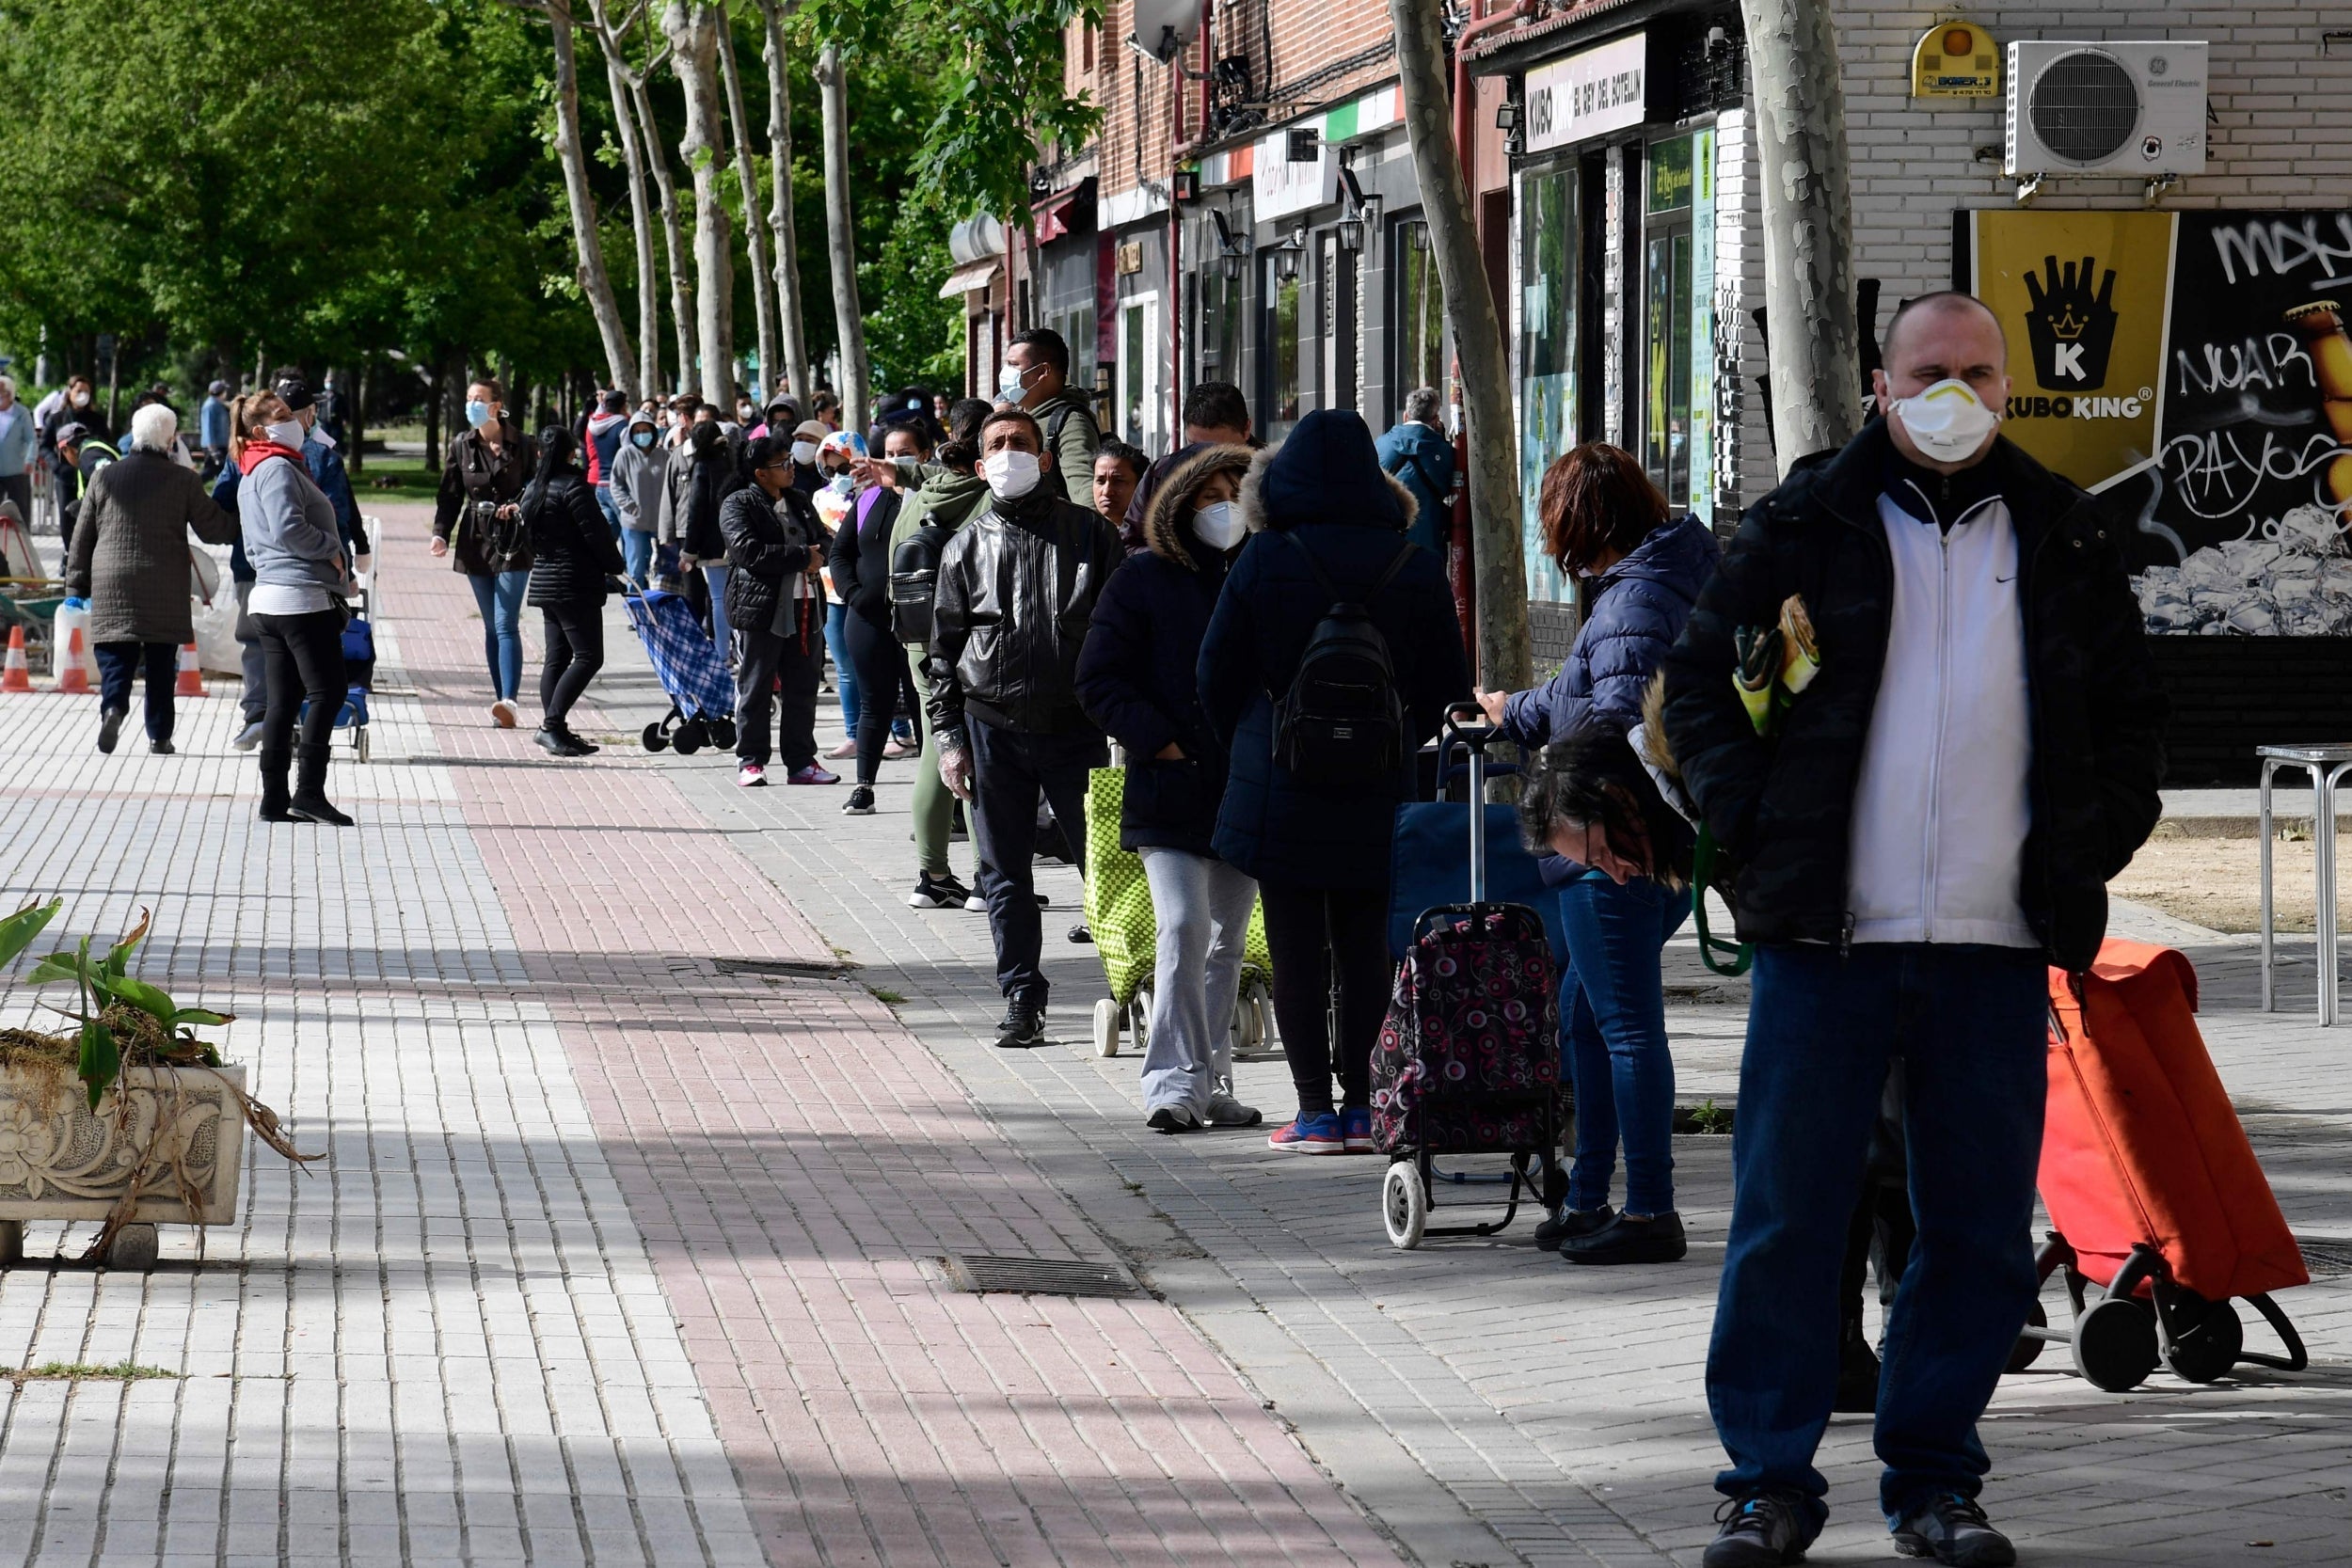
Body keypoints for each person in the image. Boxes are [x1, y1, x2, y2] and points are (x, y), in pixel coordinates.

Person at [1661, 293, 2167, 1568]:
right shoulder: (1801, 525)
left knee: (1979, 1227)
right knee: (1787, 1213)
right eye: (1928, 371)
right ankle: (1764, 1482)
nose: (1955, 392)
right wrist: (1758, 832)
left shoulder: (2063, 534)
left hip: (1995, 945)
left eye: (1978, 372)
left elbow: (2131, 725)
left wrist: (2076, 847)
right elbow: (1695, 693)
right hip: (1828, 939)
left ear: (2011, 389)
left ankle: (1937, 1480)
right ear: (1881, 388)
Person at [1471, 444, 1719, 1264]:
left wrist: (1563, 799)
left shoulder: (1634, 600)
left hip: (1610, 845)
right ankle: (1589, 1195)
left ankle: (1650, 1209)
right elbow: (1589, 693)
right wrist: (1516, 710)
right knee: (1584, 1013)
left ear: (1585, 523)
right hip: (1646, 841)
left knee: (1625, 1030)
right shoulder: (1657, 582)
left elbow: (1611, 718)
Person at [1198, 408, 1468, 1154]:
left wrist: (1250, 740)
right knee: (1365, 948)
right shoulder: (1411, 563)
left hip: (1281, 783)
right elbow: (1450, 684)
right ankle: (1367, 1106)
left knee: (1293, 950)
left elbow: (1213, 672)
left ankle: (1313, 1111)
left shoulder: (1264, 555)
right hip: (1380, 786)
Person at [1076, 441, 1263, 1132]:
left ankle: (1210, 1079)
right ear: (1182, 504)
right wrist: (1161, 740)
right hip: (1169, 786)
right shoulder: (1142, 578)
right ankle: (1169, 1082)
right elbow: (1098, 678)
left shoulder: (1262, 573)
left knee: (1227, 942)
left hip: (1244, 785)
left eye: (1235, 495)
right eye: (1211, 496)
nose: (1224, 509)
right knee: (1185, 925)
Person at [928, 407, 1123, 1047]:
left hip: (1076, 728)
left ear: (1044, 458)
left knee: (1108, 865)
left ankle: (1135, 985)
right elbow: (942, 656)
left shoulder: (1091, 535)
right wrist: (950, 738)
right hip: (992, 731)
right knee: (1003, 873)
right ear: (980, 466)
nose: (1009, 452)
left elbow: (1128, 631)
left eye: (1021, 442)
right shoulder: (963, 546)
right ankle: (1022, 996)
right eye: (997, 445)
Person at [64, 403, 240, 755]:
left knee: (116, 653)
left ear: (134, 434)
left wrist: (76, 585)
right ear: (170, 439)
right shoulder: (184, 480)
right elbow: (213, 529)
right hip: (165, 581)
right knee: (161, 662)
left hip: (113, 579)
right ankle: (159, 736)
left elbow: (83, 536)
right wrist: (244, 516)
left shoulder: (104, 477)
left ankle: (113, 707)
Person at [889, 397, 993, 911]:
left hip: (916, 643)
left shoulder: (916, 497)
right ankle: (984, 875)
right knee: (974, 750)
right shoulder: (988, 499)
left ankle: (931, 876)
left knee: (937, 747)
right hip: (974, 643)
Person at [235, 390, 356, 825]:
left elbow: (253, 544)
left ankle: (273, 800)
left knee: (284, 700)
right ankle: (308, 793)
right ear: (262, 429)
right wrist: (333, 550)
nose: (296, 421)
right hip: (299, 597)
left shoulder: (252, 471)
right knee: (329, 692)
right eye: (283, 415)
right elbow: (289, 529)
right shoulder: (278, 469)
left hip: (269, 597)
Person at [723, 435, 836, 787]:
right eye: (782, 464)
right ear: (760, 474)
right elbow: (749, 553)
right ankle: (751, 760)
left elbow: (826, 539)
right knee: (756, 685)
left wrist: (820, 554)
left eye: (790, 461)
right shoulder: (738, 504)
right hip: (762, 609)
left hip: (807, 605)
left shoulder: (799, 500)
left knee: (803, 687)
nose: (791, 468)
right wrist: (803, 556)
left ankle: (801, 762)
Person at [831, 421, 931, 815]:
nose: (894, 460)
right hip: (868, 619)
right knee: (875, 703)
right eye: (888, 453)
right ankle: (864, 787)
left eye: (903, 452)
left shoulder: (932, 496)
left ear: (924, 456)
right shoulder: (869, 498)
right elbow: (840, 553)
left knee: (926, 705)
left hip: (921, 623)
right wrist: (854, 595)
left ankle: (937, 797)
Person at [431, 378, 535, 728]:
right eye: (469, 398)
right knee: (492, 626)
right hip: (476, 539)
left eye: (479, 399)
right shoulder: (462, 444)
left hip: (514, 540)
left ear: (496, 406)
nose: (472, 404)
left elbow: (537, 490)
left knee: (506, 622)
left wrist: (516, 507)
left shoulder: (522, 443)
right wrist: (440, 534)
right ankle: (500, 702)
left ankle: (510, 700)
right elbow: (450, 495)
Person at [519, 428, 628, 757]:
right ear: (571, 453)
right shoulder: (574, 488)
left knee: (558, 657)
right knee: (588, 656)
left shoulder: (533, 489)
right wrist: (615, 565)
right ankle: (550, 727)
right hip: (574, 583)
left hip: (545, 580)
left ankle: (557, 729)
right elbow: (596, 533)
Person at [1120, 382, 1251, 553]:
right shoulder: (1163, 473)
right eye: (1195, 448)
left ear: (1246, 429)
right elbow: (1131, 543)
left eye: (1223, 452)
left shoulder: (1273, 475)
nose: (1209, 462)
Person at [996, 327, 1101, 503]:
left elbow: (1084, 491)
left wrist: (1091, 530)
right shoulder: (1020, 417)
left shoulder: (1071, 423)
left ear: (1043, 371)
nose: (1005, 373)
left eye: (1014, 365)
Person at [274, 372, 367, 568]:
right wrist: (345, 562)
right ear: (309, 415)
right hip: (321, 567)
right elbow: (338, 515)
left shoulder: (253, 454)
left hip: (262, 567)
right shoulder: (324, 456)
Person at [665, 420, 741, 653]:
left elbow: (696, 509)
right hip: (739, 537)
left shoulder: (703, 465)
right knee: (738, 598)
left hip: (713, 543)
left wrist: (689, 550)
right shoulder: (735, 459)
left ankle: (721, 652)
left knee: (718, 598)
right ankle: (741, 651)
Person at [1377, 388, 1456, 557]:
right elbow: (1451, 487)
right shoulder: (1445, 453)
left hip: (1388, 548)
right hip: (1428, 547)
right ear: (1435, 420)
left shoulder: (1381, 445)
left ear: (1406, 415)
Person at [611, 406, 665, 585]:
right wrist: (630, 506)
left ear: (653, 431)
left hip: (661, 524)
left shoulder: (664, 455)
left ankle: (660, 609)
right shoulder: (624, 454)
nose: (642, 435)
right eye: (637, 431)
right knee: (636, 572)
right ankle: (637, 610)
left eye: (645, 431)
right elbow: (616, 484)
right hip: (634, 522)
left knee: (662, 571)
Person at [584, 388, 631, 543]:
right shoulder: (622, 426)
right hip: (618, 486)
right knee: (628, 531)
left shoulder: (593, 425)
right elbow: (629, 456)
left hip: (600, 484)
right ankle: (626, 564)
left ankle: (604, 564)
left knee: (607, 533)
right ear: (623, 406)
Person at [1090, 440, 1148, 536]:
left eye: (1118, 481)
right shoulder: (1084, 535)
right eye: (1101, 481)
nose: (1106, 491)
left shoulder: (1156, 539)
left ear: (1140, 485)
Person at [0, 376, 33, 523]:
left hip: (17, 469)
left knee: (20, 510)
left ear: (10, 394)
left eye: (3, 392)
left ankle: (22, 542)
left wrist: (30, 459)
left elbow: (31, 438)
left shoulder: (21, 413)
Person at [198, 380, 232, 468]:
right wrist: (213, 449)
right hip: (214, 446)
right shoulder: (210, 406)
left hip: (221, 445)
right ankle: (191, 482)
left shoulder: (218, 404)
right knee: (209, 471)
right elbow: (208, 427)